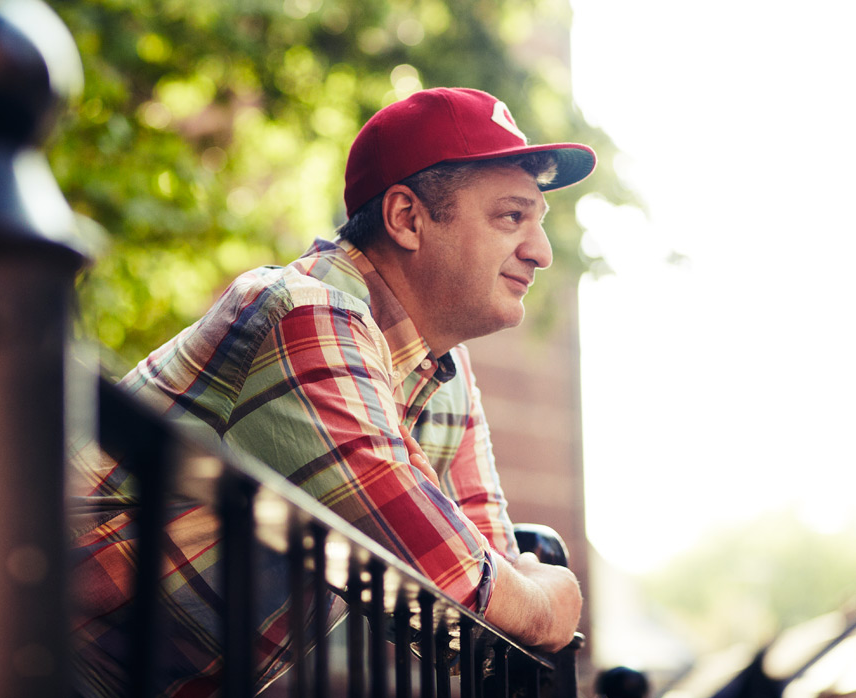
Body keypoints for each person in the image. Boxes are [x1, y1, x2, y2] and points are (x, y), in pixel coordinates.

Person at [70, 86, 596, 695]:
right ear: (406, 218)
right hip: (18, 655)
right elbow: (459, 581)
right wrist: (551, 604)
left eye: (538, 221)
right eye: (511, 217)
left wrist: (519, 599)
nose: (541, 252)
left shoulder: (444, 369)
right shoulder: (302, 310)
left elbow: (483, 616)